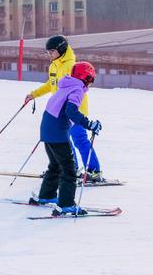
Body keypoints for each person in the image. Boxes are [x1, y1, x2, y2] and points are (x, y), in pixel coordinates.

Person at [24, 35, 103, 182]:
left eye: (52, 51)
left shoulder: (70, 66)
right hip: (60, 111)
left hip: (73, 110)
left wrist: (70, 110)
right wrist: (34, 94)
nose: (50, 54)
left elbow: (75, 91)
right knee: (64, 141)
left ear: (61, 49)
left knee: (78, 140)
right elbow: (51, 84)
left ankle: (93, 171)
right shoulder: (55, 64)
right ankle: (69, 169)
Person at [35, 61, 102, 215]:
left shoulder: (65, 85)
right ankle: (66, 204)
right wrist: (89, 124)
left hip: (47, 129)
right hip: (58, 132)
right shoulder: (77, 89)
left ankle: (47, 195)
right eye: (91, 79)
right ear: (85, 77)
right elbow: (71, 112)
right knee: (69, 169)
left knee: (55, 165)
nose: (91, 84)